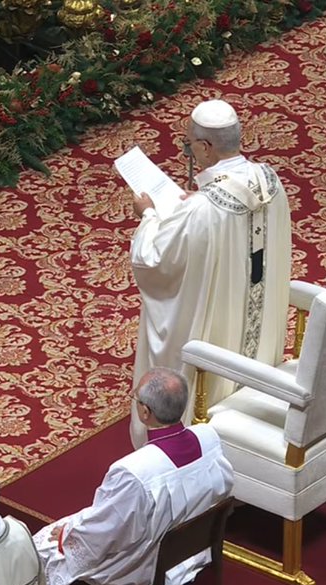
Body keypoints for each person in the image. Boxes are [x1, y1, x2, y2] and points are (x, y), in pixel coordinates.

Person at [128, 99, 293, 448]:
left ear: (204, 147)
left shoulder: (203, 210)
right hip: (254, 315)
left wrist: (148, 216)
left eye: (189, 145)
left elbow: (153, 261)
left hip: (218, 323)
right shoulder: (270, 180)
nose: (189, 151)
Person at [31, 368, 235, 585]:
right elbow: (221, 490)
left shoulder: (134, 472)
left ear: (145, 412)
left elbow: (102, 536)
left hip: (143, 573)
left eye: (135, 399)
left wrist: (66, 536)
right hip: (190, 555)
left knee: (43, 549)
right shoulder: (208, 439)